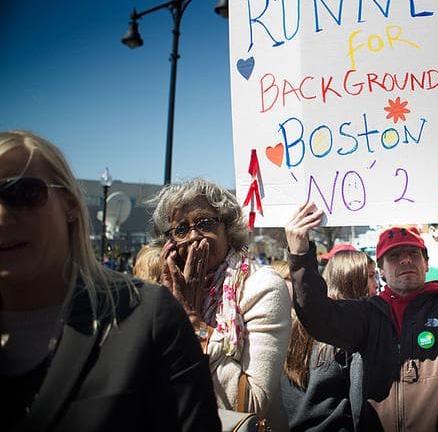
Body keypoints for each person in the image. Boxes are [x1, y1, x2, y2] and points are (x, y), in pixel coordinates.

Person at [0, 130, 220, 431]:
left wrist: (192, 318)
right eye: (181, 228)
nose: (2, 215)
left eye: (22, 194)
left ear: (71, 206)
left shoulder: (148, 317)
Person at [285, 199, 438, 431]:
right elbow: (319, 318)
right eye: (394, 256)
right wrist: (299, 254)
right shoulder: (368, 314)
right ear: (382, 271)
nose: (406, 259)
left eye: (413, 253)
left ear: (426, 264)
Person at [150, 178, 291, 429]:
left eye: (204, 224)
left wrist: (193, 322)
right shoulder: (166, 295)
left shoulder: (262, 286)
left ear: (228, 228)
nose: (193, 237)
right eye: (181, 229)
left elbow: (252, 404)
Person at [282, 249, 376, 431]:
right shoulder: (349, 330)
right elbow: (359, 400)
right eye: (371, 276)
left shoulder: (297, 322)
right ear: (353, 278)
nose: (376, 285)